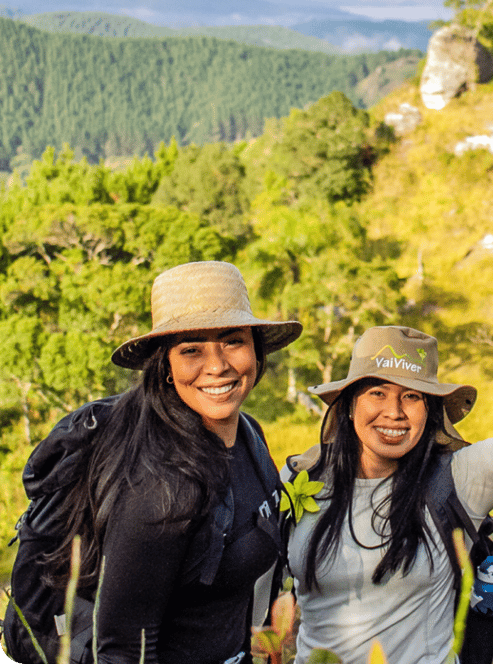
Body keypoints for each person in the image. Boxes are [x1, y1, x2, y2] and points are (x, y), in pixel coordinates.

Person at [15, 260, 302, 664]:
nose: (217, 365)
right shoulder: (162, 487)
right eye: (191, 350)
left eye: (232, 341)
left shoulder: (248, 436)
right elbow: (123, 647)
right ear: (165, 365)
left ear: (256, 349)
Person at [283, 325, 493, 664]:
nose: (394, 411)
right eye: (377, 393)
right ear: (350, 405)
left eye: (412, 396)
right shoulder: (299, 482)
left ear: (430, 412)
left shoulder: (460, 479)